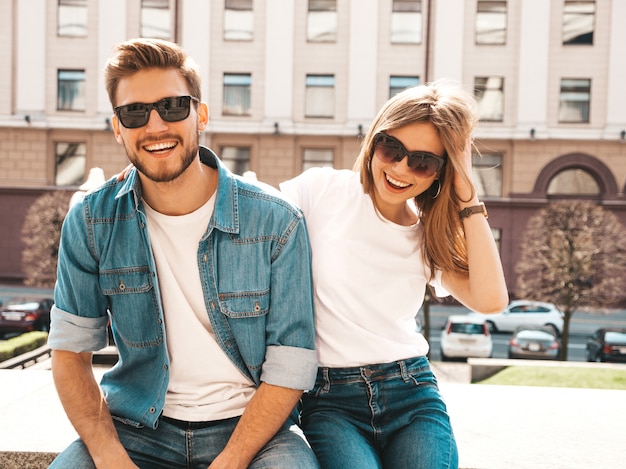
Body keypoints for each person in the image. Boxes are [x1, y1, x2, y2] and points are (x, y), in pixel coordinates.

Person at [48, 38, 319, 469]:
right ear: (117, 127)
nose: (155, 127)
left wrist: (232, 460)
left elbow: (292, 365)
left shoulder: (275, 221)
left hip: (251, 429)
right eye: (135, 113)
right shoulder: (91, 220)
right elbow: (69, 355)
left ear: (201, 115)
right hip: (136, 427)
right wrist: (110, 458)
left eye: (173, 106)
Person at [279, 81, 509, 469]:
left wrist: (467, 195)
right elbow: (252, 226)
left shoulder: (426, 235)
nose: (401, 168)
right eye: (391, 148)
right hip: (330, 400)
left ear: (440, 173)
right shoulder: (320, 191)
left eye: (423, 161)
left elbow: (492, 300)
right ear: (373, 141)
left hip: (411, 393)